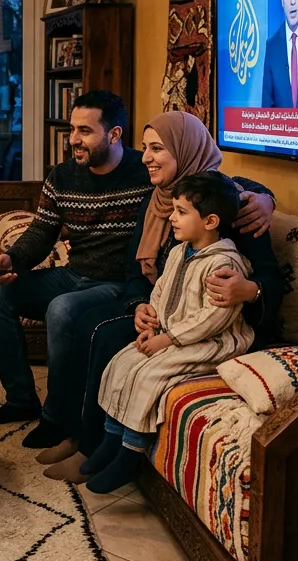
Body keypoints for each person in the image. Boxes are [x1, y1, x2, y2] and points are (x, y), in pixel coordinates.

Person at [38, 111, 283, 482]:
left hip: (208, 323)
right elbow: (134, 271)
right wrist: (138, 305)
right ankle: (74, 432)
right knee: (81, 320)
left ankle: (92, 445)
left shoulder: (228, 204)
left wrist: (251, 288)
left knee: (101, 332)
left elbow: (270, 277)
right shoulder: (158, 199)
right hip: (163, 308)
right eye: (146, 148)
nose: (146, 158)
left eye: (157, 149)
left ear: (184, 150)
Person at [0, 91, 150, 436]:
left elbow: (211, 179)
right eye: (72, 129)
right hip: (74, 274)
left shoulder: (145, 171)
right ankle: (20, 399)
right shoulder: (62, 176)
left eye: (85, 131)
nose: (73, 139)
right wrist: (12, 259)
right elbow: (41, 232)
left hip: (117, 284)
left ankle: (56, 418)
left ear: (114, 134)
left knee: (61, 309)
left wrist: (260, 198)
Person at [84, 171, 254, 494]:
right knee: (122, 362)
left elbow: (213, 318)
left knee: (149, 374)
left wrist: (168, 339)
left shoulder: (223, 263)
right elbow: (160, 291)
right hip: (170, 334)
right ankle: (111, 438)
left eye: (181, 212)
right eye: (173, 209)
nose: (172, 218)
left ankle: (131, 452)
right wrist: (152, 323)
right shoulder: (179, 251)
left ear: (210, 221)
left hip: (209, 343)